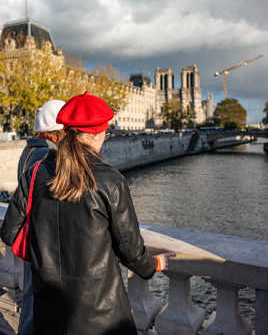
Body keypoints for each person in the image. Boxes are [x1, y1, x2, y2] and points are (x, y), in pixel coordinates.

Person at [1, 91, 174, 335]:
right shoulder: (111, 180)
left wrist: (45, 251)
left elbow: (9, 233)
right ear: (97, 133)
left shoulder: (35, 173)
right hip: (100, 316)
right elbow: (131, 251)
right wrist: (154, 264)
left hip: (48, 312)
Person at [16, 99, 66, 335]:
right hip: (44, 240)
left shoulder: (28, 151)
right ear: (56, 133)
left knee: (30, 298)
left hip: (31, 237)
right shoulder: (44, 156)